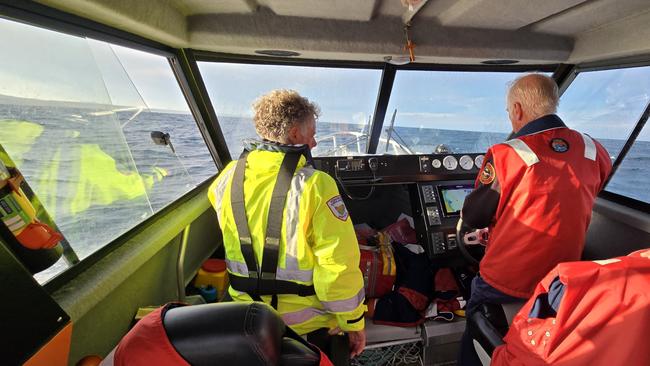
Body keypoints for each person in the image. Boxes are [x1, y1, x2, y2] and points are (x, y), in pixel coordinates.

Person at [458, 74, 612, 365]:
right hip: (561, 283)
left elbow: (474, 215)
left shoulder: (508, 154)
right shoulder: (595, 150)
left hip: (504, 284)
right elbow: (570, 198)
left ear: (517, 110)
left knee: (474, 324)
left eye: (508, 113)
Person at [207, 90, 366, 365]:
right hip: (306, 328)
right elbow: (337, 266)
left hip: (245, 319)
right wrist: (353, 323)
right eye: (312, 134)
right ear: (294, 134)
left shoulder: (227, 177)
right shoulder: (316, 185)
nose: (314, 142)